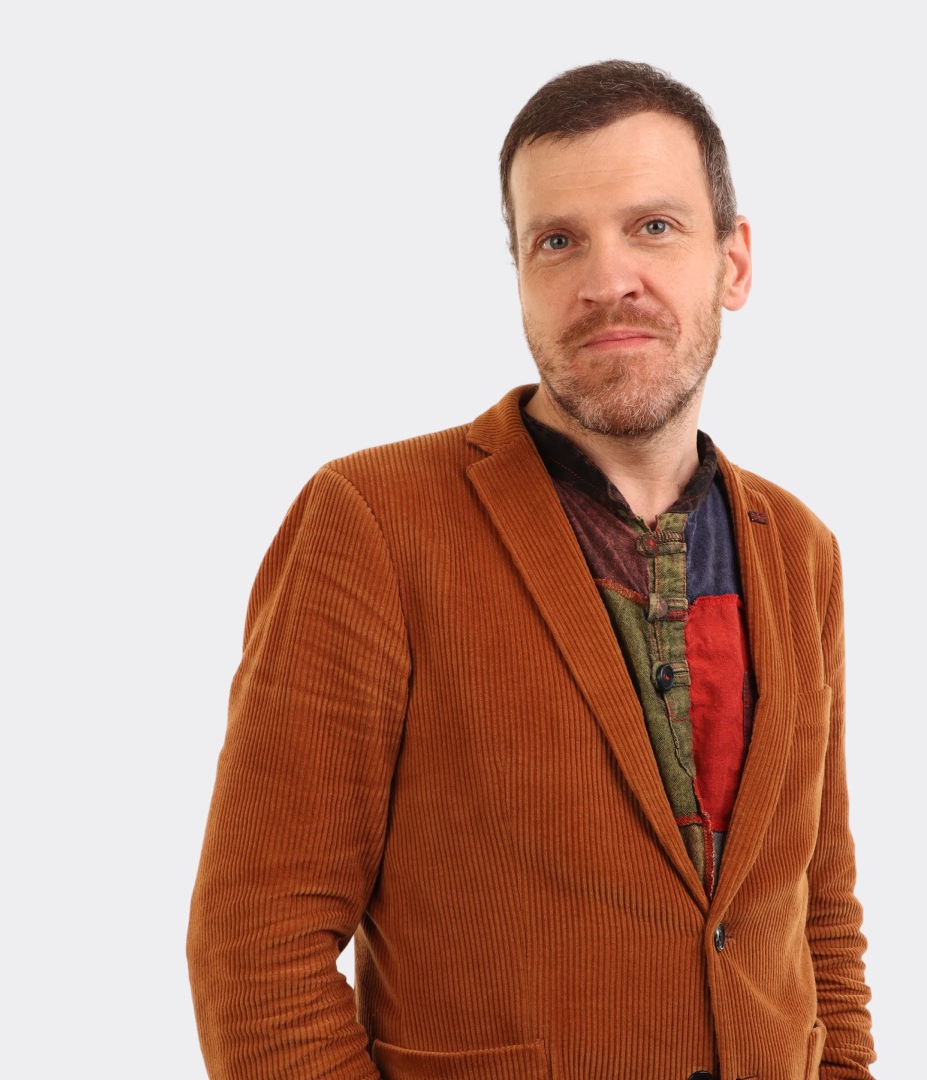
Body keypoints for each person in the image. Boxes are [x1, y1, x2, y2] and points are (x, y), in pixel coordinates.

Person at [186, 59, 876, 1080]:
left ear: (733, 262)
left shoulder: (800, 549)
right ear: (520, 275)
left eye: (653, 227)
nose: (607, 280)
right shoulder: (372, 522)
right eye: (559, 241)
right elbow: (256, 946)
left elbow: (818, 914)